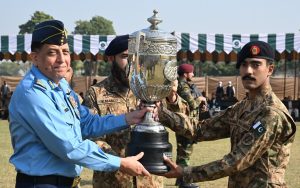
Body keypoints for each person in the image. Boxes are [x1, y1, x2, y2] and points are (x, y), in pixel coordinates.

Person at [8, 20, 153, 188]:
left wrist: (128, 118)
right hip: (42, 183)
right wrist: (120, 163)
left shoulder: (59, 85)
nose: (62, 60)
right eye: (52, 53)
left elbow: (86, 123)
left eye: (65, 52)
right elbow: (69, 147)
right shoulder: (33, 94)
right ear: (35, 57)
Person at [158, 41, 296, 187]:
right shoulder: (242, 107)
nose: (248, 71)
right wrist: (162, 113)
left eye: (256, 65)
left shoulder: (271, 113)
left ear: (270, 69)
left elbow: (237, 161)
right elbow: (200, 130)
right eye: (244, 65)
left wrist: (185, 173)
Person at [84, 35, 163, 188]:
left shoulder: (152, 91)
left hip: (149, 180)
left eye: (136, 57)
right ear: (111, 58)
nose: (132, 62)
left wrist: (172, 99)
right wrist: (120, 163)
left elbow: (179, 120)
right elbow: (91, 137)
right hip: (113, 180)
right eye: (126, 56)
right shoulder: (96, 93)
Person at [175, 63, 207, 188]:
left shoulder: (184, 85)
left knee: (183, 151)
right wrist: (201, 99)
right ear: (185, 74)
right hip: (186, 123)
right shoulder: (183, 86)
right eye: (191, 72)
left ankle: (180, 179)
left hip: (185, 122)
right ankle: (184, 181)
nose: (193, 74)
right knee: (185, 152)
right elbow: (192, 104)